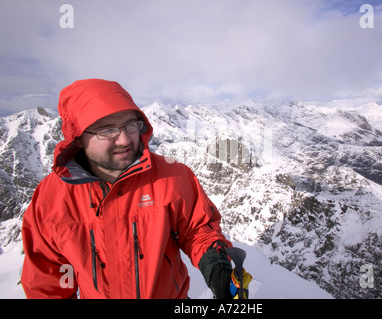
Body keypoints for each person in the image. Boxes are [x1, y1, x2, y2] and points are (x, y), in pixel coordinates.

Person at [21, 79, 236, 299]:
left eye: (130, 125)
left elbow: (197, 229)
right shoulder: (52, 199)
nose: (124, 139)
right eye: (107, 130)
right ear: (77, 138)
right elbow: (49, 281)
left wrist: (215, 261)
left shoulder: (173, 177)